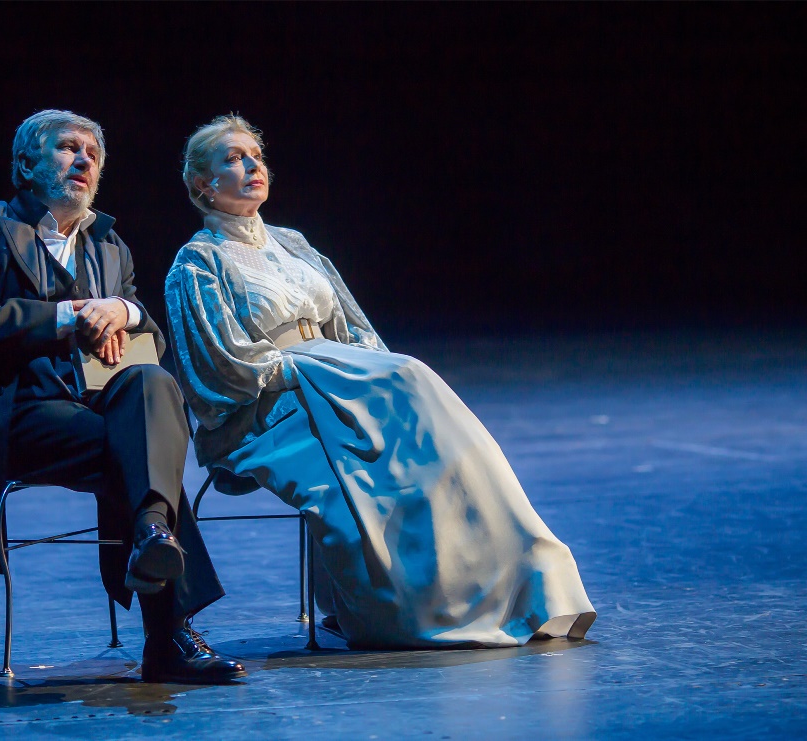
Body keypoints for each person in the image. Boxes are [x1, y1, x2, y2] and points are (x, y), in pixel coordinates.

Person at [165, 115, 597, 649]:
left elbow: (354, 331)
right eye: (233, 159)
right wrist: (325, 373)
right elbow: (220, 370)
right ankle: (398, 609)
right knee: (397, 402)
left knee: (420, 416)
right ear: (201, 184)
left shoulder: (293, 244)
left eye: (256, 155)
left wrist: (363, 379)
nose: (252, 166)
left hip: (335, 379)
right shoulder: (198, 262)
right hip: (262, 406)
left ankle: (520, 584)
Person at [0, 110, 245, 683]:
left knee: (153, 386)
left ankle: (152, 536)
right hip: (14, 414)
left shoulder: (109, 245)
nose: (84, 159)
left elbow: (150, 342)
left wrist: (128, 311)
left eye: (93, 152)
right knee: (139, 452)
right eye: (68, 148)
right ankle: (167, 636)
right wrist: (68, 317)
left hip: (95, 406)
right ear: (26, 164)